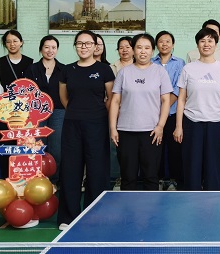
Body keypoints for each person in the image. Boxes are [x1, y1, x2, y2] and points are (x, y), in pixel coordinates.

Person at [57, 30, 115, 230]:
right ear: (75, 46)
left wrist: (95, 114)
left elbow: (111, 98)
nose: (84, 47)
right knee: (70, 169)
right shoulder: (67, 70)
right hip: (72, 124)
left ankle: (95, 214)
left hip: (97, 125)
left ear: (95, 46)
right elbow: (64, 98)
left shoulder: (104, 70)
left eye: (88, 43)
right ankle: (68, 217)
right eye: (80, 43)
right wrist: (77, 111)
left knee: (97, 170)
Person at [174, 28, 220, 191]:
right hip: (192, 123)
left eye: (210, 41)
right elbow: (181, 99)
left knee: (213, 168)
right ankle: (192, 199)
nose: (206, 44)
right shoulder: (188, 68)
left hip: (217, 124)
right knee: (192, 167)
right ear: (197, 45)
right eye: (202, 41)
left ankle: (213, 200)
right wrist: (179, 126)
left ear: (216, 44)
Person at [109, 33, 172, 191]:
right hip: (126, 131)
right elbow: (115, 101)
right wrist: (113, 128)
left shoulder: (160, 72)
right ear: (133, 50)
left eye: (147, 48)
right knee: (128, 177)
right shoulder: (124, 72)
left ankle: (150, 207)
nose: (143, 51)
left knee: (151, 177)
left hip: (151, 132)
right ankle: (128, 207)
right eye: (139, 47)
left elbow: (166, 101)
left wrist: (160, 126)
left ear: (153, 50)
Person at [0, 30, 33, 178]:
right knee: (6, 149)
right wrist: (8, 111)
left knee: (24, 149)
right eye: (8, 42)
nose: (12, 44)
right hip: (4, 115)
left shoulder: (31, 63)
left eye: (15, 41)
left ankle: (24, 181)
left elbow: (32, 90)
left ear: (21, 42)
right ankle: (6, 180)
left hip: (26, 115)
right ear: (5, 44)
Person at [25, 35, 65, 185]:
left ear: (57, 50)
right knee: (37, 145)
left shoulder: (64, 69)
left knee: (56, 147)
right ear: (41, 49)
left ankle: (55, 180)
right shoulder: (32, 69)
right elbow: (26, 92)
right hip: (37, 113)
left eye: (53, 47)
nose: (50, 50)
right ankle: (36, 180)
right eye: (47, 47)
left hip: (58, 111)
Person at [152, 30, 186, 191]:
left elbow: (178, 88)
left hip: (172, 113)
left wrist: (164, 107)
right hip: (153, 115)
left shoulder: (180, 63)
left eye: (167, 41)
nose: (164, 44)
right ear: (156, 45)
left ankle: (174, 180)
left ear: (173, 45)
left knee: (174, 150)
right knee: (155, 149)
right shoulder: (151, 63)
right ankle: (157, 180)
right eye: (161, 41)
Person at [109, 36, 134, 188]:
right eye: (121, 47)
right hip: (115, 112)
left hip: (134, 112)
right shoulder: (111, 67)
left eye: (127, 47)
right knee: (116, 147)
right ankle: (117, 177)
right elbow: (109, 95)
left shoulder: (141, 66)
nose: (124, 50)